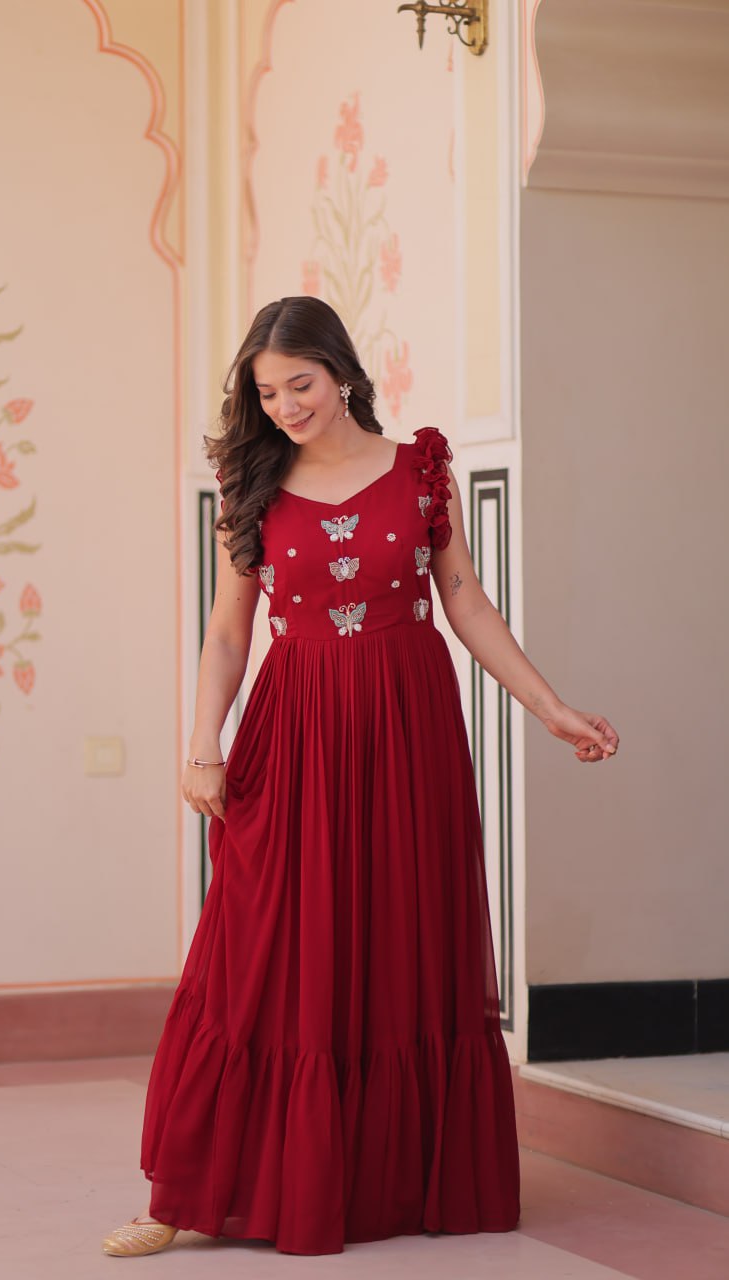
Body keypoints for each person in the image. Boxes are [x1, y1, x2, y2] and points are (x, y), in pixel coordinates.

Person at [102, 296, 619, 1259]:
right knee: (258, 949)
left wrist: (549, 709)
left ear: (341, 372)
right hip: (293, 732)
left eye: (299, 383)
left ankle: (395, 1183)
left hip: (408, 730)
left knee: (399, 936)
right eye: (267, 391)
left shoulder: (417, 470)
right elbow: (228, 631)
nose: (286, 405)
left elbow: (462, 601)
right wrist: (202, 744)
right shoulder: (250, 482)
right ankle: (185, 1194)